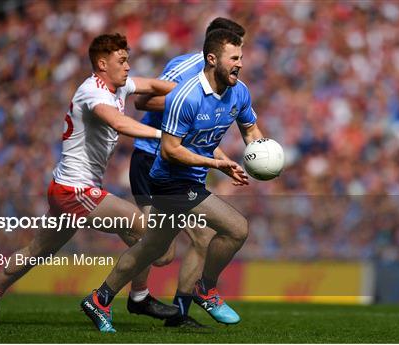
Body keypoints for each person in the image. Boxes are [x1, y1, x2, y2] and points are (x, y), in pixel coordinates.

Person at [0, 33, 179, 326]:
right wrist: (165, 136)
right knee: (143, 227)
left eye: (127, 59)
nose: (128, 66)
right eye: (122, 60)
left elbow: (154, 85)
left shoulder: (118, 85)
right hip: (74, 191)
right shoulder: (92, 92)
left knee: (38, 250)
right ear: (102, 64)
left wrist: (190, 94)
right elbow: (119, 122)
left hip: (67, 188)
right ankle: (138, 298)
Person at [81, 28, 264, 333]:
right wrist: (216, 163)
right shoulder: (186, 96)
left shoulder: (239, 91)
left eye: (241, 57)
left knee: (154, 249)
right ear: (212, 59)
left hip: (190, 178)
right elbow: (169, 150)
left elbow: (250, 130)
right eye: (234, 57)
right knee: (236, 228)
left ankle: (100, 299)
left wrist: (264, 151)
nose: (240, 63)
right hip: (170, 180)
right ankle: (205, 289)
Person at [130, 17, 247, 328]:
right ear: (214, 50)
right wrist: (180, 99)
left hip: (185, 165)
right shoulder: (185, 69)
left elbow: (202, 133)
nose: (238, 61)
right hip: (152, 158)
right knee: (161, 251)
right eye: (233, 53)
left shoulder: (226, 86)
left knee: (203, 237)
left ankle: (178, 313)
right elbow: (142, 101)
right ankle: (132, 296)